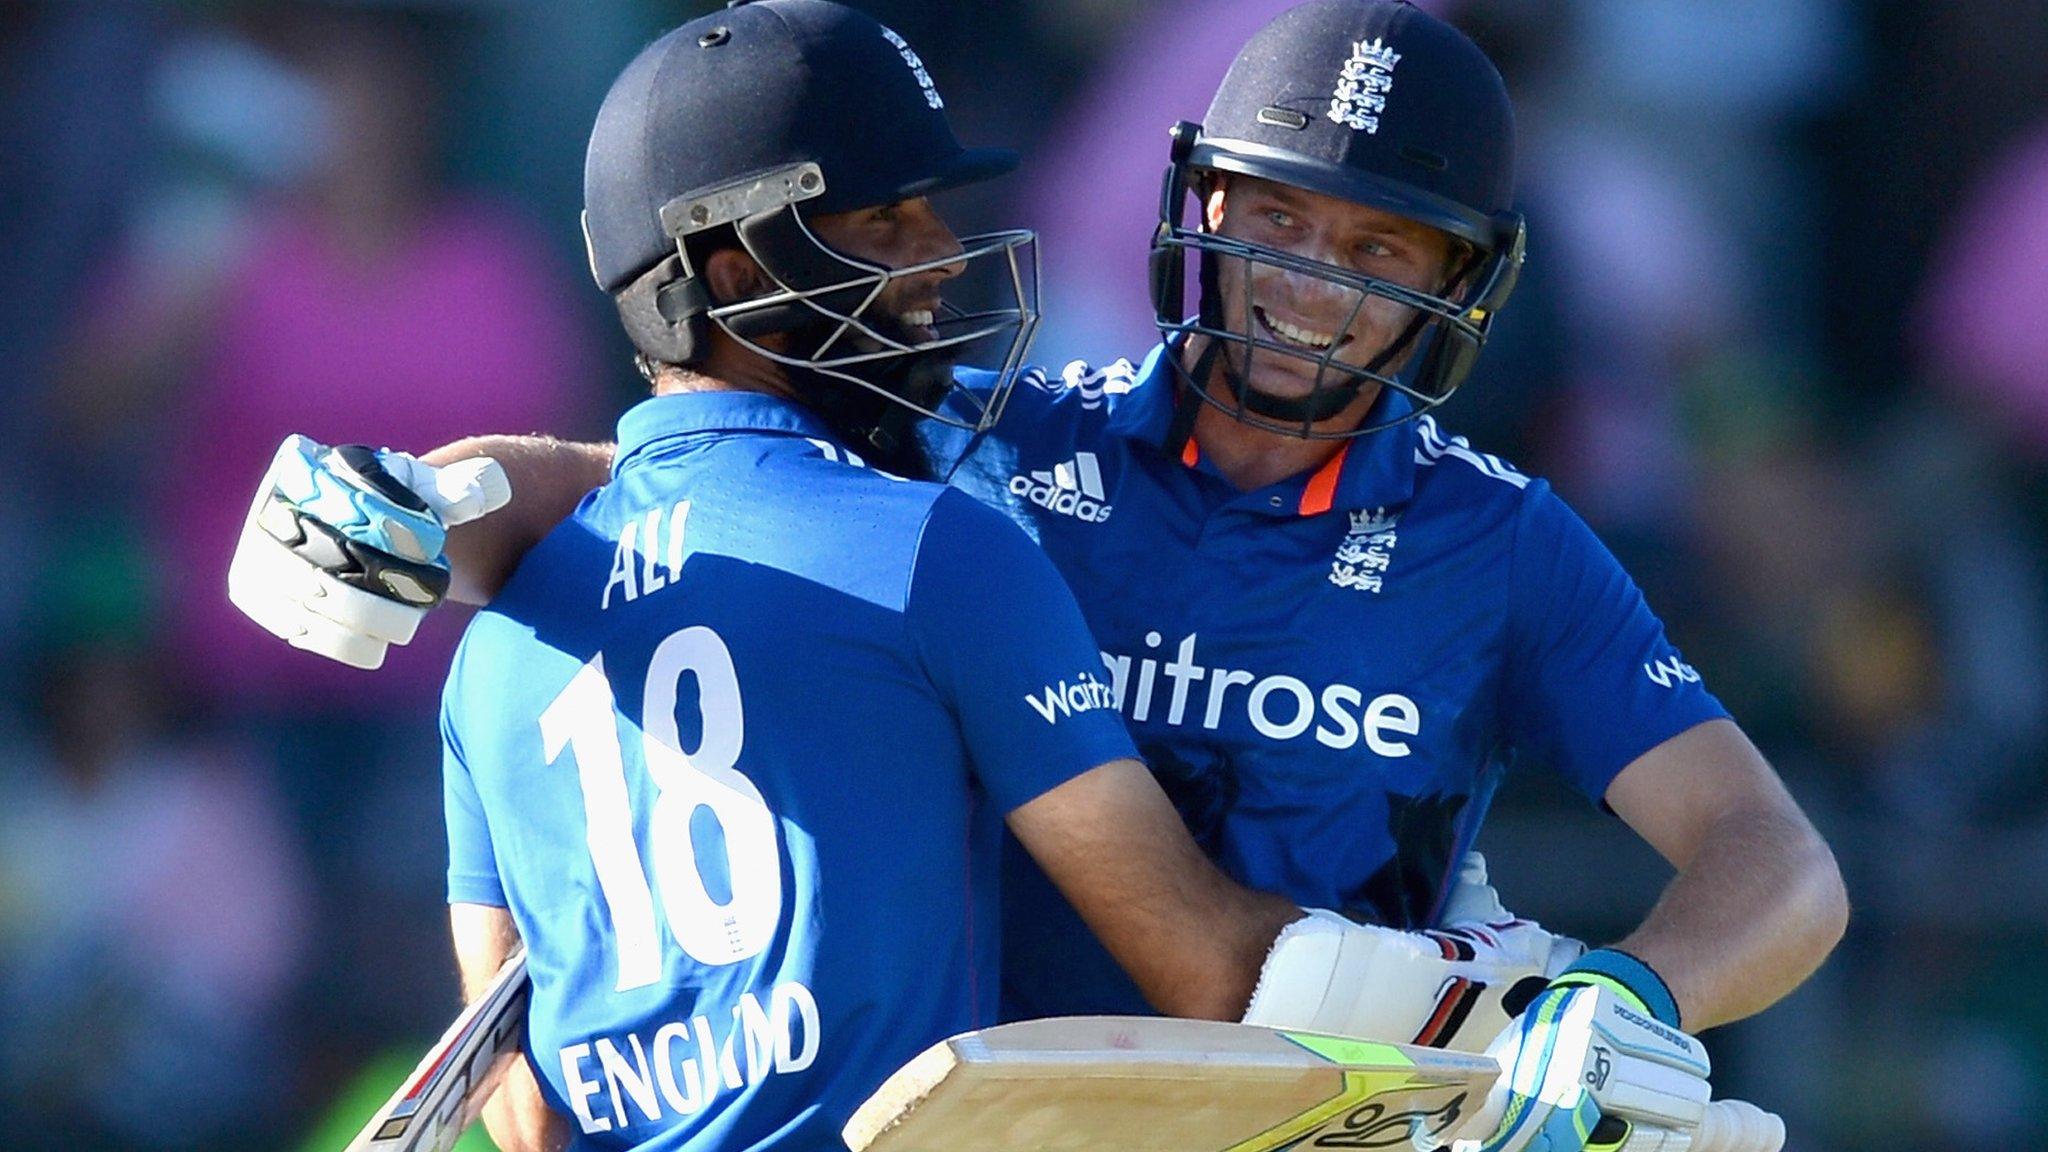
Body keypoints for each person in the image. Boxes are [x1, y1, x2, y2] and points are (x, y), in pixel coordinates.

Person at [234, 3, 1844, 1150]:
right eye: (1274, 219)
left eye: (1377, 254)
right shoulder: (998, 442)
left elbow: (1779, 868)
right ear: (1198, 206)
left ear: (1455, 288)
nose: (1306, 285)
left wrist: (1632, 992)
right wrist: (445, 498)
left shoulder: (1504, 544)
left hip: (1317, 1124)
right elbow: (706, 468)